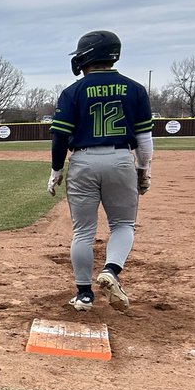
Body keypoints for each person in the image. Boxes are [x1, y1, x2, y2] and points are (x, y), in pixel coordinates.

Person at [47, 30, 153, 312]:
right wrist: (143, 170)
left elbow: (59, 137)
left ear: (88, 56)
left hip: (82, 161)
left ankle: (83, 295)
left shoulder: (73, 91)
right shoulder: (135, 89)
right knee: (122, 225)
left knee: (83, 231)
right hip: (120, 158)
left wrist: (56, 169)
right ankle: (111, 270)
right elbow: (144, 140)